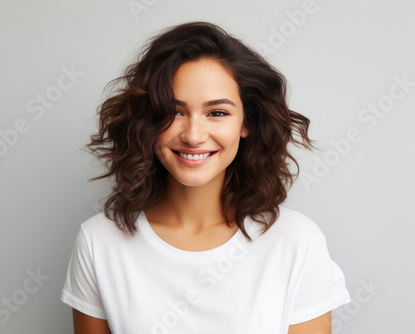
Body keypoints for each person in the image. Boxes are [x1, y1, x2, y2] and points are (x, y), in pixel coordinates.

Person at [61, 21, 351, 334]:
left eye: (217, 113)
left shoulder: (296, 242)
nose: (194, 136)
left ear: (246, 123)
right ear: (148, 120)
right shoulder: (99, 242)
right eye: (174, 111)